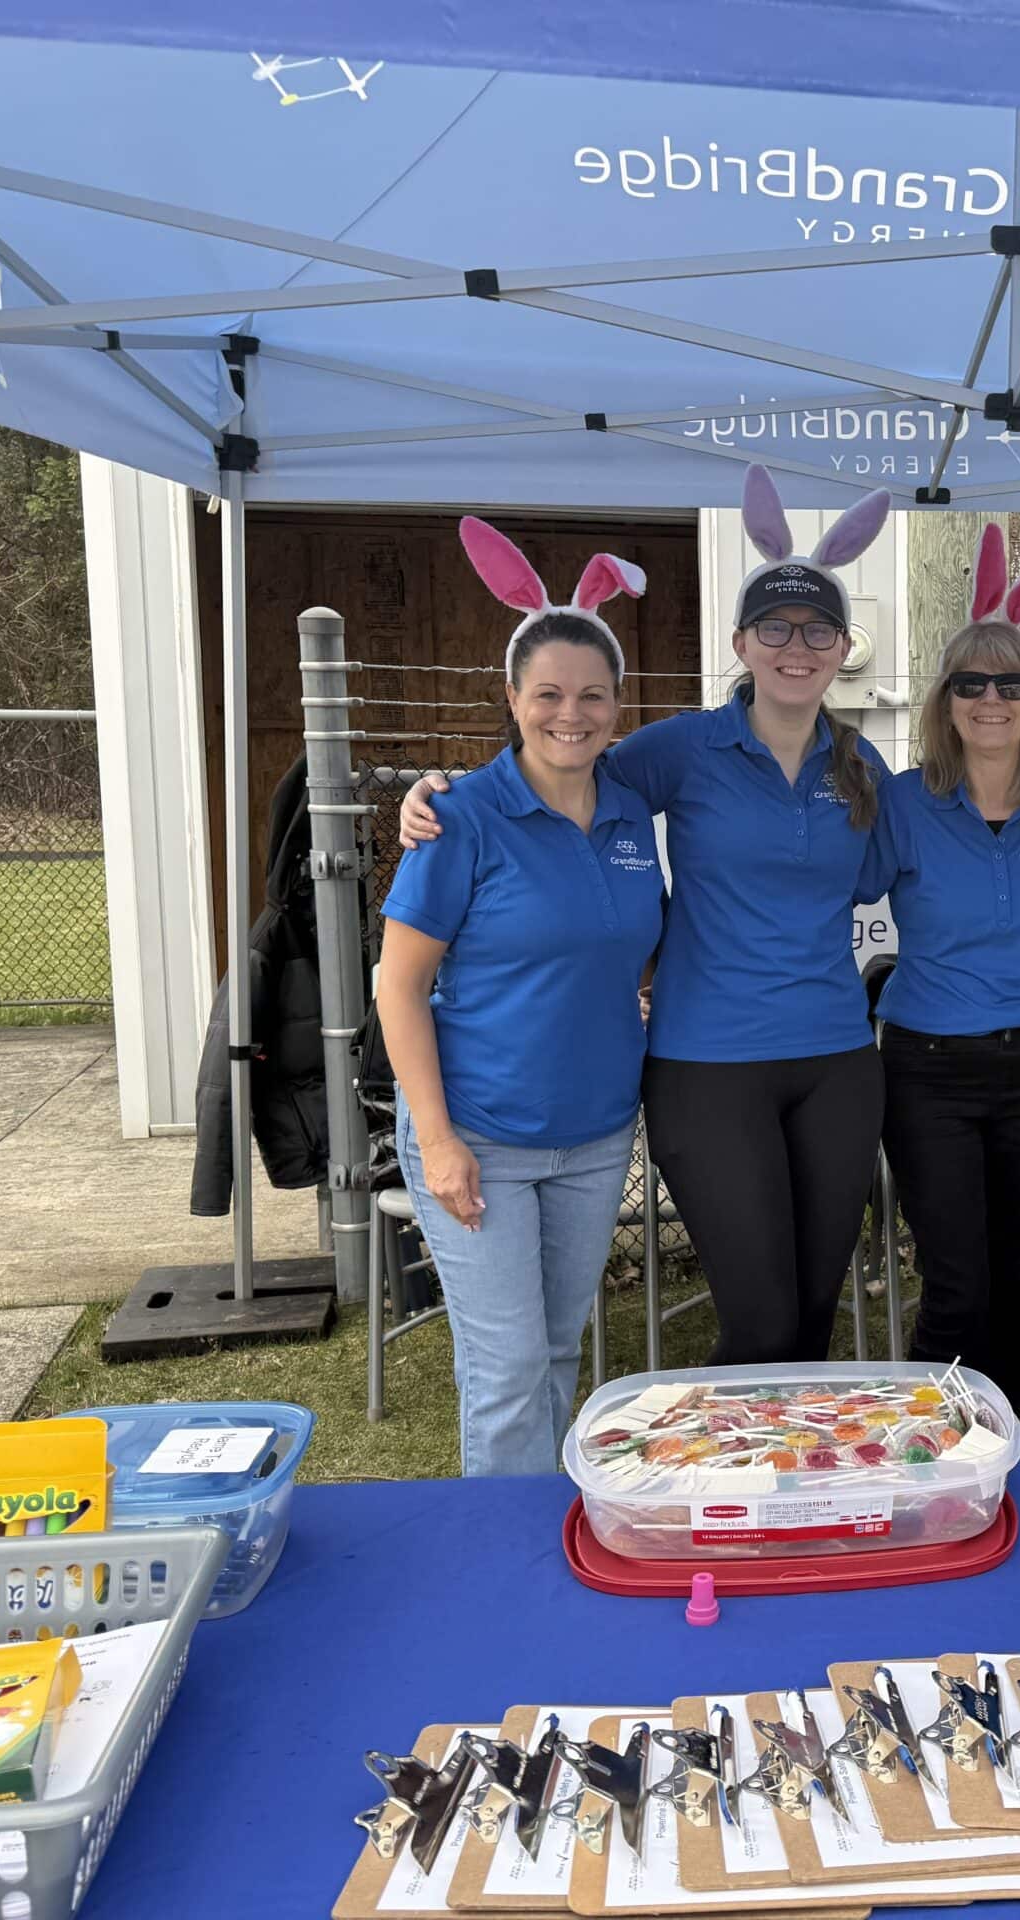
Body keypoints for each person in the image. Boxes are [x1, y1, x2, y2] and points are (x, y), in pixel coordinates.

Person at [400, 468, 893, 1365]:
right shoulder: (683, 749)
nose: (797, 647)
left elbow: (939, 840)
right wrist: (447, 792)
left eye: (819, 629)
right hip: (708, 1065)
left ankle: (797, 1458)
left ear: (841, 647)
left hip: (836, 1063)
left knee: (812, 1319)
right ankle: (722, 1456)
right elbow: (560, 769)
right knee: (760, 1324)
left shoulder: (861, 769)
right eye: (775, 628)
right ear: (741, 643)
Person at [378, 519, 662, 1475]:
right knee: (504, 1370)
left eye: (591, 695)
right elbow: (398, 987)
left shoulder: (630, 815)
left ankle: (543, 1530)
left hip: (595, 1135)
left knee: (556, 1352)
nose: (569, 714)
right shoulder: (457, 818)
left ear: (617, 705)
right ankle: (503, 1552)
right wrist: (438, 1140)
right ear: (512, 699)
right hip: (481, 1136)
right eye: (548, 694)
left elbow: (629, 947)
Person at [870, 527, 1020, 1413]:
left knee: (1015, 1279)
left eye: (1011, 684)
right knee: (956, 1284)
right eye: (970, 683)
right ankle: (935, 1450)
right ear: (946, 700)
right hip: (928, 1070)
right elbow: (818, 886)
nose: (990, 699)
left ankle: (1004, 1439)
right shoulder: (903, 802)